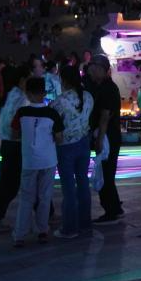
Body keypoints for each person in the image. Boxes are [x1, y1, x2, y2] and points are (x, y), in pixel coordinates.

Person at [11, 77, 64, 246]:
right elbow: (59, 138)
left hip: (29, 161)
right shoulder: (52, 114)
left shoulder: (21, 112)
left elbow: (14, 134)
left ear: (27, 93)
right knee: (44, 196)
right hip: (48, 160)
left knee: (26, 197)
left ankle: (20, 235)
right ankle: (42, 231)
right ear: (44, 93)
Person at [50, 64, 94, 238]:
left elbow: (54, 126)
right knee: (83, 183)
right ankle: (85, 224)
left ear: (64, 80)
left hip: (65, 147)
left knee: (68, 187)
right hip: (84, 143)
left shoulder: (59, 102)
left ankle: (69, 228)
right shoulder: (88, 96)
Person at [0, 65, 27, 233]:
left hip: (9, 144)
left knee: (10, 183)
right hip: (15, 145)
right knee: (11, 185)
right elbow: (14, 125)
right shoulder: (21, 98)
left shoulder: (13, 94)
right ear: (22, 80)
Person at [87, 55, 124, 224]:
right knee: (106, 172)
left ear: (101, 68)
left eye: (92, 67)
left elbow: (105, 116)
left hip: (108, 136)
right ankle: (115, 208)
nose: (90, 70)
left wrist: (100, 139)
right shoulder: (98, 86)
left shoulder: (108, 88)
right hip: (107, 135)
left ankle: (111, 211)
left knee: (105, 174)